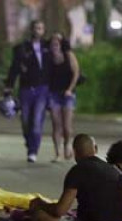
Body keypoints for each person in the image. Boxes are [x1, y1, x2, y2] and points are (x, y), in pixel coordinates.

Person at [29, 134, 122, 221]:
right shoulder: (114, 171)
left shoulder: (78, 170)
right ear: (95, 149)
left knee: (40, 215)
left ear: (75, 152)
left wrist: (40, 204)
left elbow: (59, 210)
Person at [5, 19, 51, 163]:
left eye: (41, 28)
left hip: (42, 89)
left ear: (44, 30)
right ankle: (29, 140)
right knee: (25, 120)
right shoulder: (22, 48)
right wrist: (9, 86)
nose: (38, 30)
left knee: (37, 120)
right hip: (25, 89)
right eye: (36, 27)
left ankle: (33, 150)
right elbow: (14, 68)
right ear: (31, 30)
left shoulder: (48, 47)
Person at [47, 32, 80, 162]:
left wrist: (69, 89)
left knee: (67, 126)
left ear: (61, 44)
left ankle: (67, 145)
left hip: (68, 94)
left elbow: (76, 73)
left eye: (57, 42)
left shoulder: (69, 55)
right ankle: (58, 153)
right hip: (53, 94)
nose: (55, 44)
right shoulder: (48, 58)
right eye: (52, 42)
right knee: (56, 124)